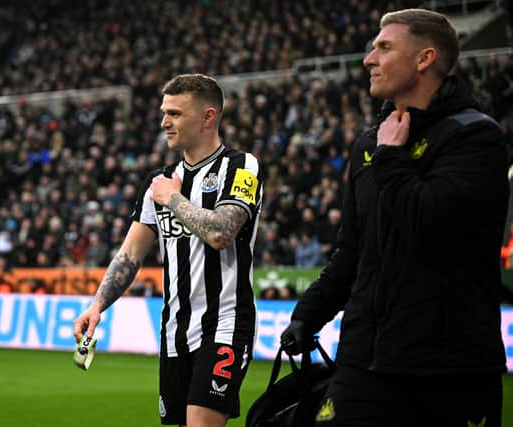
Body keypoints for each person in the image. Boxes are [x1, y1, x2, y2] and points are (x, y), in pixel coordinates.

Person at [280, 9, 509, 427]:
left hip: (449, 369)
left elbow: (429, 224)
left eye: (383, 48)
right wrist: (308, 313)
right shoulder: (369, 143)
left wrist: (391, 158)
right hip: (363, 362)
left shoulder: (476, 136)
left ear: (424, 59)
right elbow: (353, 250)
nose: (368, 59)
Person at [73, 73, 263, 427]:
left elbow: (221, 232)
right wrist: (96, 305)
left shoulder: (241, 167)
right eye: (164, 112)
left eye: (175, 113)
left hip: (224, 323)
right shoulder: (157, 182)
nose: (164, 122)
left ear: (208, 116)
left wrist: (172, 199)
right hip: (174, 330)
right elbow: (130, 255)